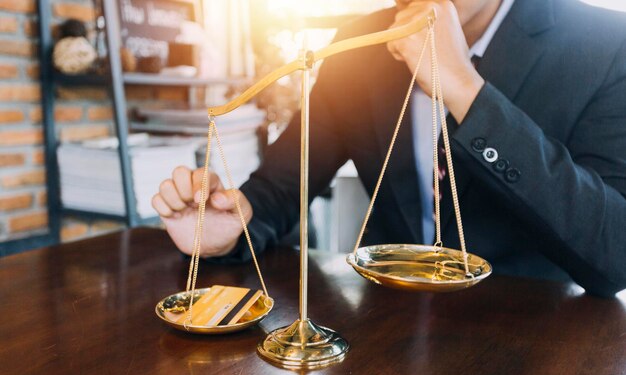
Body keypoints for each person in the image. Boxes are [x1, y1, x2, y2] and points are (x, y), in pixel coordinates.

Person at [152, 0, 626, 297]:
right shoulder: (357, 46)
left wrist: (463, 86)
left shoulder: (605, 44)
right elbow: (281, 187)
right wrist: (227, 233)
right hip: (384, 333)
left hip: (542, 343)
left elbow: (613, 256)